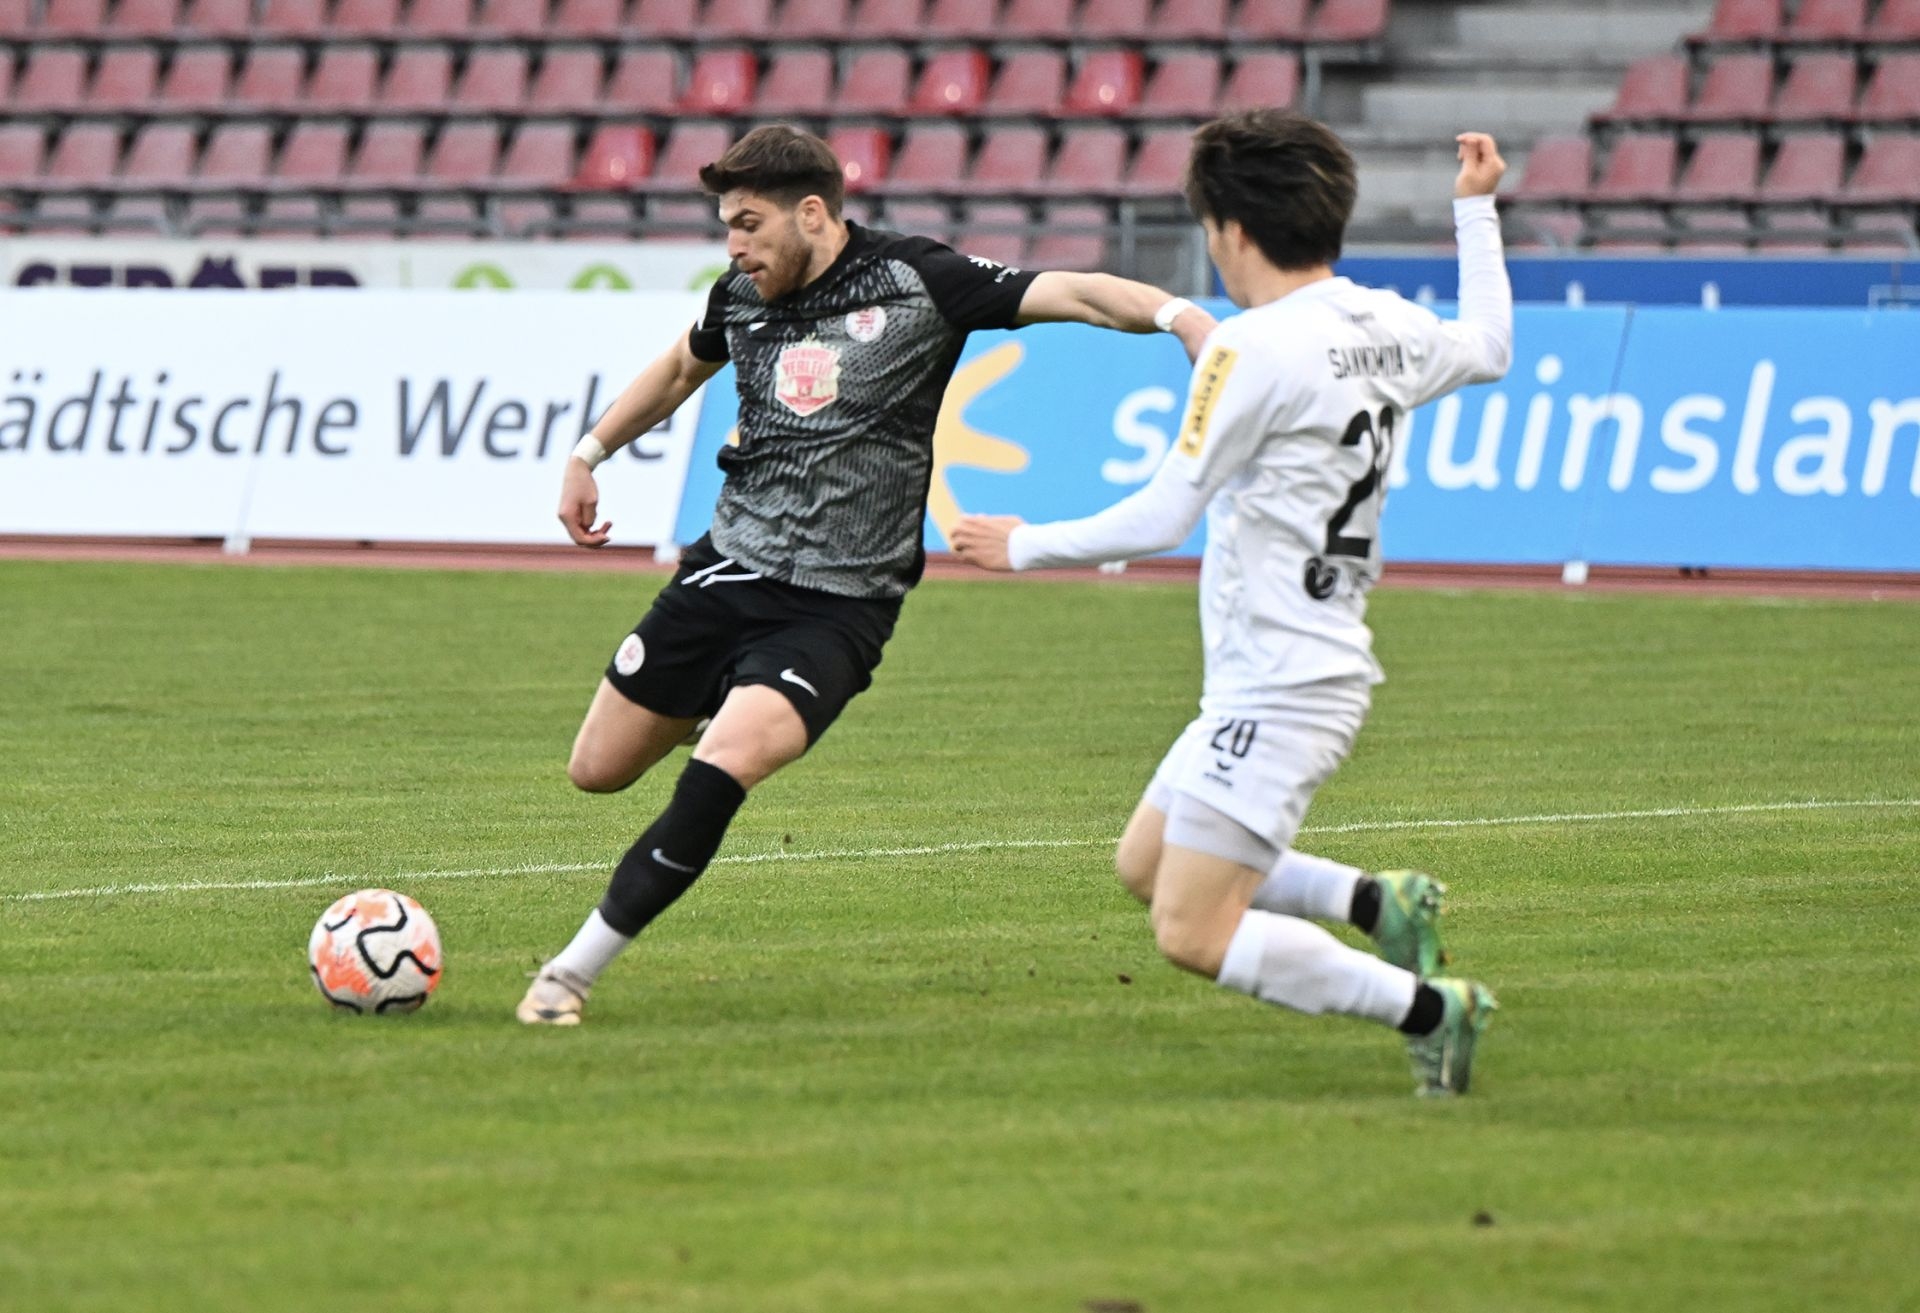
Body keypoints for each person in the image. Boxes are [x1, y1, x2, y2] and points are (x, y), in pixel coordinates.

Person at [517, 124, 1218, 1025]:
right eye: (726, 227)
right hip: (725, 569)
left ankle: (568, 975)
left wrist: (1183, 317)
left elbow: (1074, 291)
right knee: (596, 769)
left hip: (838, 607)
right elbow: (681, 367)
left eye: (748, 225)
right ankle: (723, 692)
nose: (734, 246)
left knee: (724, 765)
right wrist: (588, 453)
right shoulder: (742, 294)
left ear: (812, 213)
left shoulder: (918, 280)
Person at [951, 112, 1513, 1097]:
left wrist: (1023, 543)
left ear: (1233, 232)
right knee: (1146, 861)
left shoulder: (1251, 347)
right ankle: (1378, 903)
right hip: (1292, 665)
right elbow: (1491, 347)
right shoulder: (1383, 322)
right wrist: (1475, 210)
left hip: (1283, 684)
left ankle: (1431, 1010)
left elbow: (1166, 513)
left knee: (1190, 928)